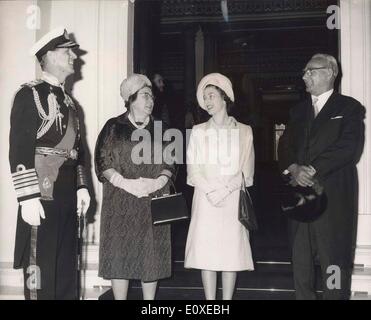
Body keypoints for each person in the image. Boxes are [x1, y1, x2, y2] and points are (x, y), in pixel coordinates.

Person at [9, 27, 91, 300]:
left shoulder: (71, 104)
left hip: (68, 196)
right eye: (67, 52)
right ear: (50, 56)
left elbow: (79, 152)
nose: (74, 57)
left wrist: (82, 187)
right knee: (40, 268)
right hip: (42, 193)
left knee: (67, 270)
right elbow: (19, 150)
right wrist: (27, 197)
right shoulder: (29, 95)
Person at [278, 53, 364, 299]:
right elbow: (284, 147)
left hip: (334, 200)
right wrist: (294, 168)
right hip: (299, 200)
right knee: (301, 262)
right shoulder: (297, 111)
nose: (304, 76)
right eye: (304, 72)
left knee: (334, 262)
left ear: (329, 72)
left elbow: (349, 148)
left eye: (310, 71)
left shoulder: (349, 108)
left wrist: (313, 168)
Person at [94, 73, 176, 300]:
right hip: (120, 201)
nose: (151, 101)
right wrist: (124, 183)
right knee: (120, 253)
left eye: (152, 96)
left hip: (153, 201)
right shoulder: (113, 126)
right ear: (130, 99)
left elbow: (171, 162)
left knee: (151, 254)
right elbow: (102, 161)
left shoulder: (163, 128)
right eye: (145, 96)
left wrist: (158, 181)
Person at [184, 73, 255, 300]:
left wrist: (225, 190)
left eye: (212, 95)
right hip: (206, 199)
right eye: (205, 97)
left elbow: (247, 172)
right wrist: (212, 191)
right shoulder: (197, 131)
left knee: (230, 254)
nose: (208, 101)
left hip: (233, 199)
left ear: (225, 97)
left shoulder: (244, 131)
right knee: (207, 254)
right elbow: (193, 171)